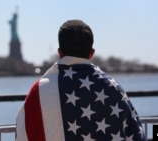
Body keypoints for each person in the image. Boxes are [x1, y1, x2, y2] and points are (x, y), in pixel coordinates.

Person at [15, 19, 146, 141]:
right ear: (92, 53)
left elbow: (23, 134)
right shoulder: (114, 88)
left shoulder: (39, 91)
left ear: (59, 53)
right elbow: (136, 134)